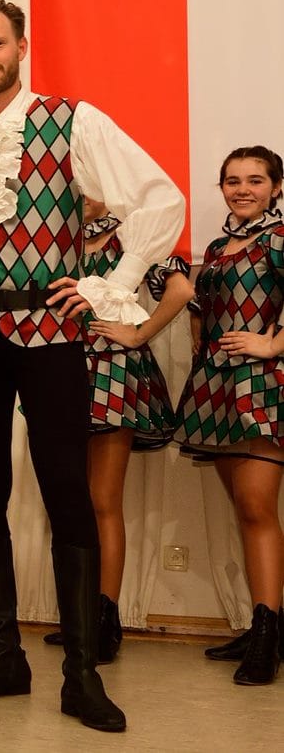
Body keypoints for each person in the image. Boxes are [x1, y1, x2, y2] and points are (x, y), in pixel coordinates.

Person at [0, 0, 185, 732]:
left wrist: (109, 284)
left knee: (67, 488)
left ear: (21, 47)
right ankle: (4, 657)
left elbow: (159, 199)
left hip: (51, 328)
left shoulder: (72, 121)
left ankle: (81, 672)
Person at [41, 199, 192, 660]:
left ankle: (104, 621)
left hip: (111, 371)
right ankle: (80, 615)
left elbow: (181, 290)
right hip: (59, 367)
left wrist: (138, 333)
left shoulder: (133, 233)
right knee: (69, 498)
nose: (83, 194)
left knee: (103, 499)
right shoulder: (54, 234)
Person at [174, 145, 284, 685]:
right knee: (244, 510)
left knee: (257, 508)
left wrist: (274, 344)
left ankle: (266, 638)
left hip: (260, 385)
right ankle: (265, 623)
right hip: (214, 388)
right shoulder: (217, 247)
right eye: (232, 181)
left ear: (276, 187)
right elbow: (201, 312)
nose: (243, 189)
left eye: (255, 180)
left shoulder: (280, 238)